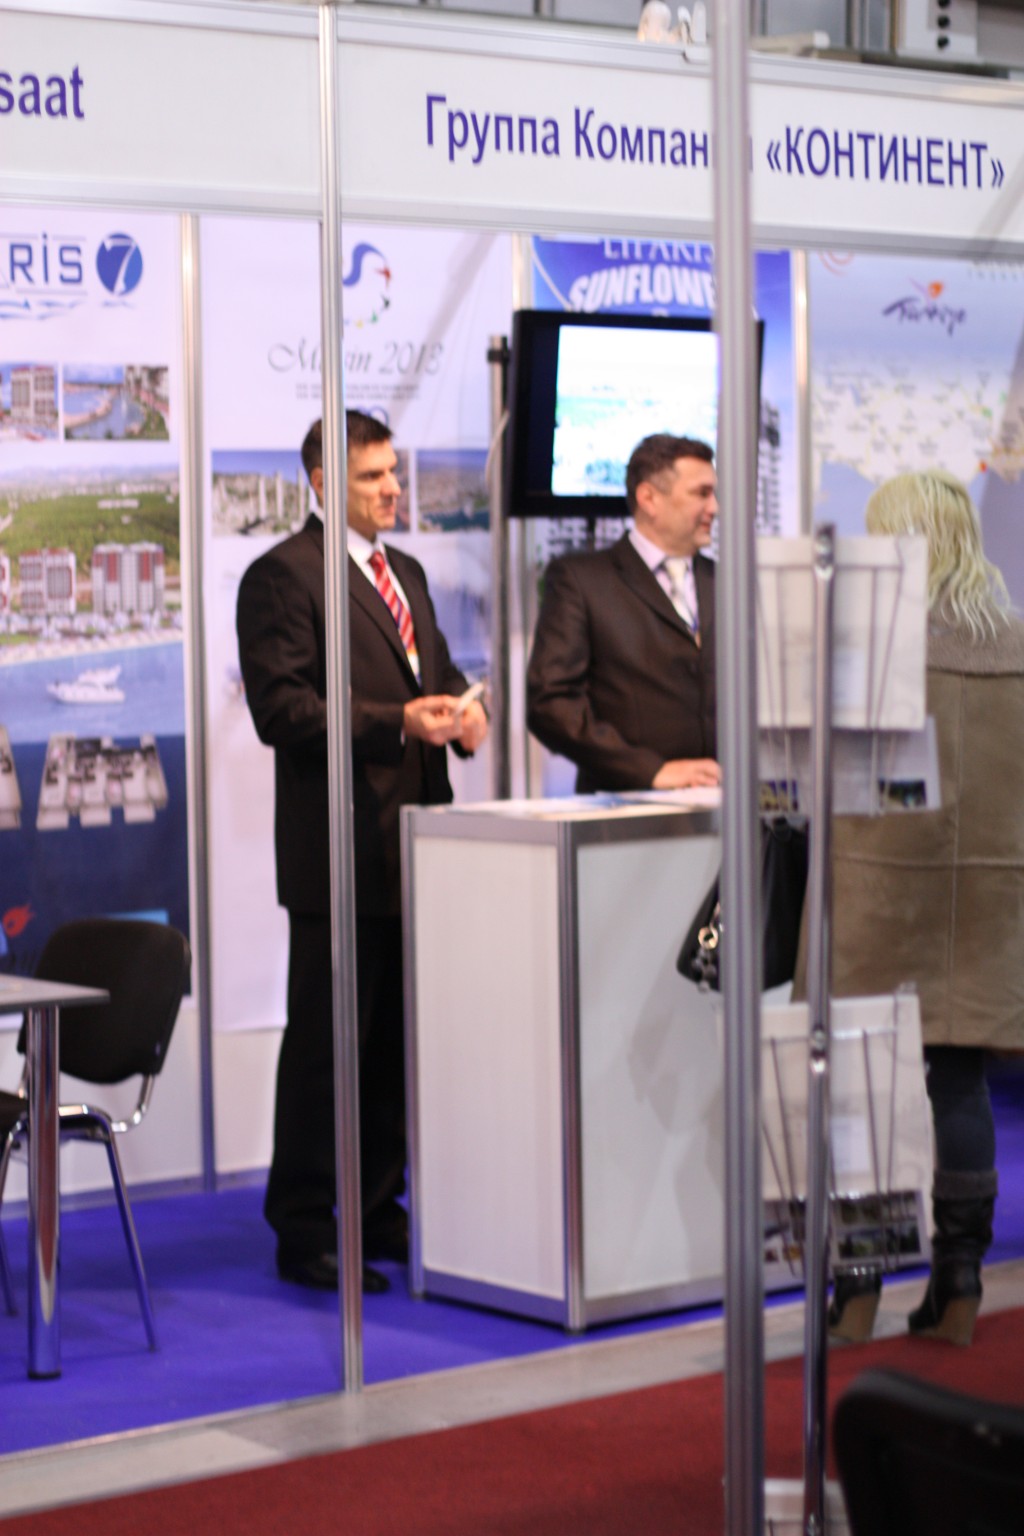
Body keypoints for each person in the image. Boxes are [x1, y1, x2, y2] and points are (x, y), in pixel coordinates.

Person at [236, 411, 487, 1293]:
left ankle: (379, 1209)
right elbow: (284, 711)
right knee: (325, 1047)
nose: (392, 489)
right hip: (337, 850)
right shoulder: (282, 577)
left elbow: (437, 677)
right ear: (321, 482)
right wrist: (399, 722)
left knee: (391, 1047)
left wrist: (465, 714)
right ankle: (306, 1224)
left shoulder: (404, 572)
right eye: (373, 476)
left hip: (415, 846)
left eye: (394, 473)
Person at [824, 469, 1024, 1345]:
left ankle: (859, 1287)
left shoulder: (869, 648)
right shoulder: (1016, 643)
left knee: (862, 1090)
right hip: (986, 899)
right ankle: (961, 1279)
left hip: (876, 893)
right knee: (961, 1081)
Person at [525, 433, 720, 792]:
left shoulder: (727, 582)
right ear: (649, 498)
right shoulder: (582, 581)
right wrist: (650, 771)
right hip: (625, 807)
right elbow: (550, 704)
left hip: (727, 809)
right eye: (702, 493)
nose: (715, 508)